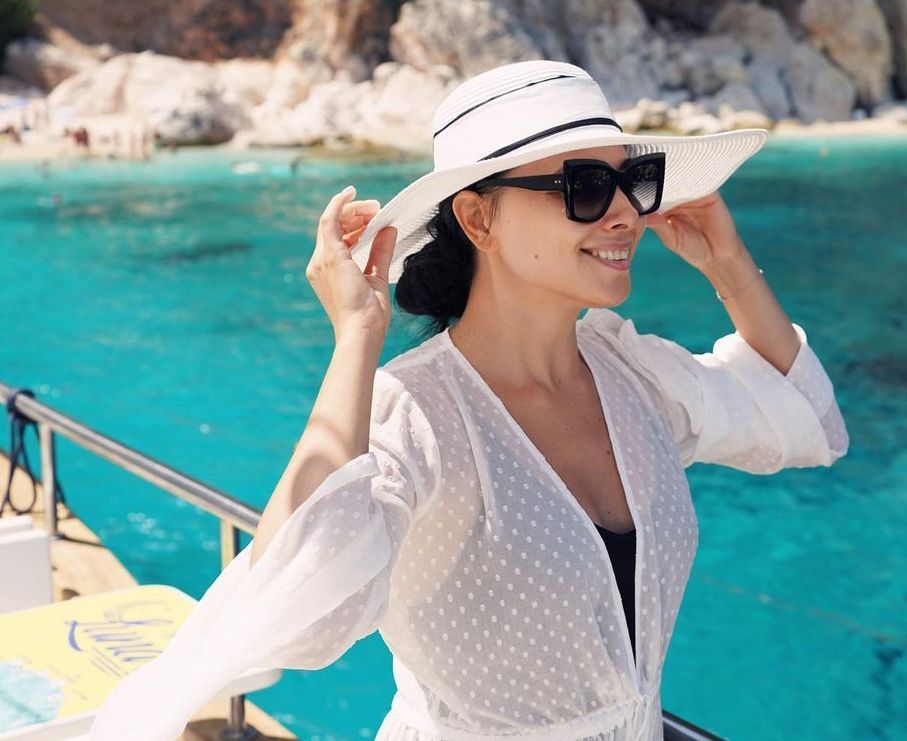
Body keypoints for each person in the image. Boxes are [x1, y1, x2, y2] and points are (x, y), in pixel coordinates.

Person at [90, 60, 849, 741]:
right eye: (586, 187)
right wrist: (357, 336)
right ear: (479, 218)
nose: (625, 213)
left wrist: (729, 264)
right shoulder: (419, 416)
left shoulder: (633, 376)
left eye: (632, 181)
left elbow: (807, 422)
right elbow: (299, 604)